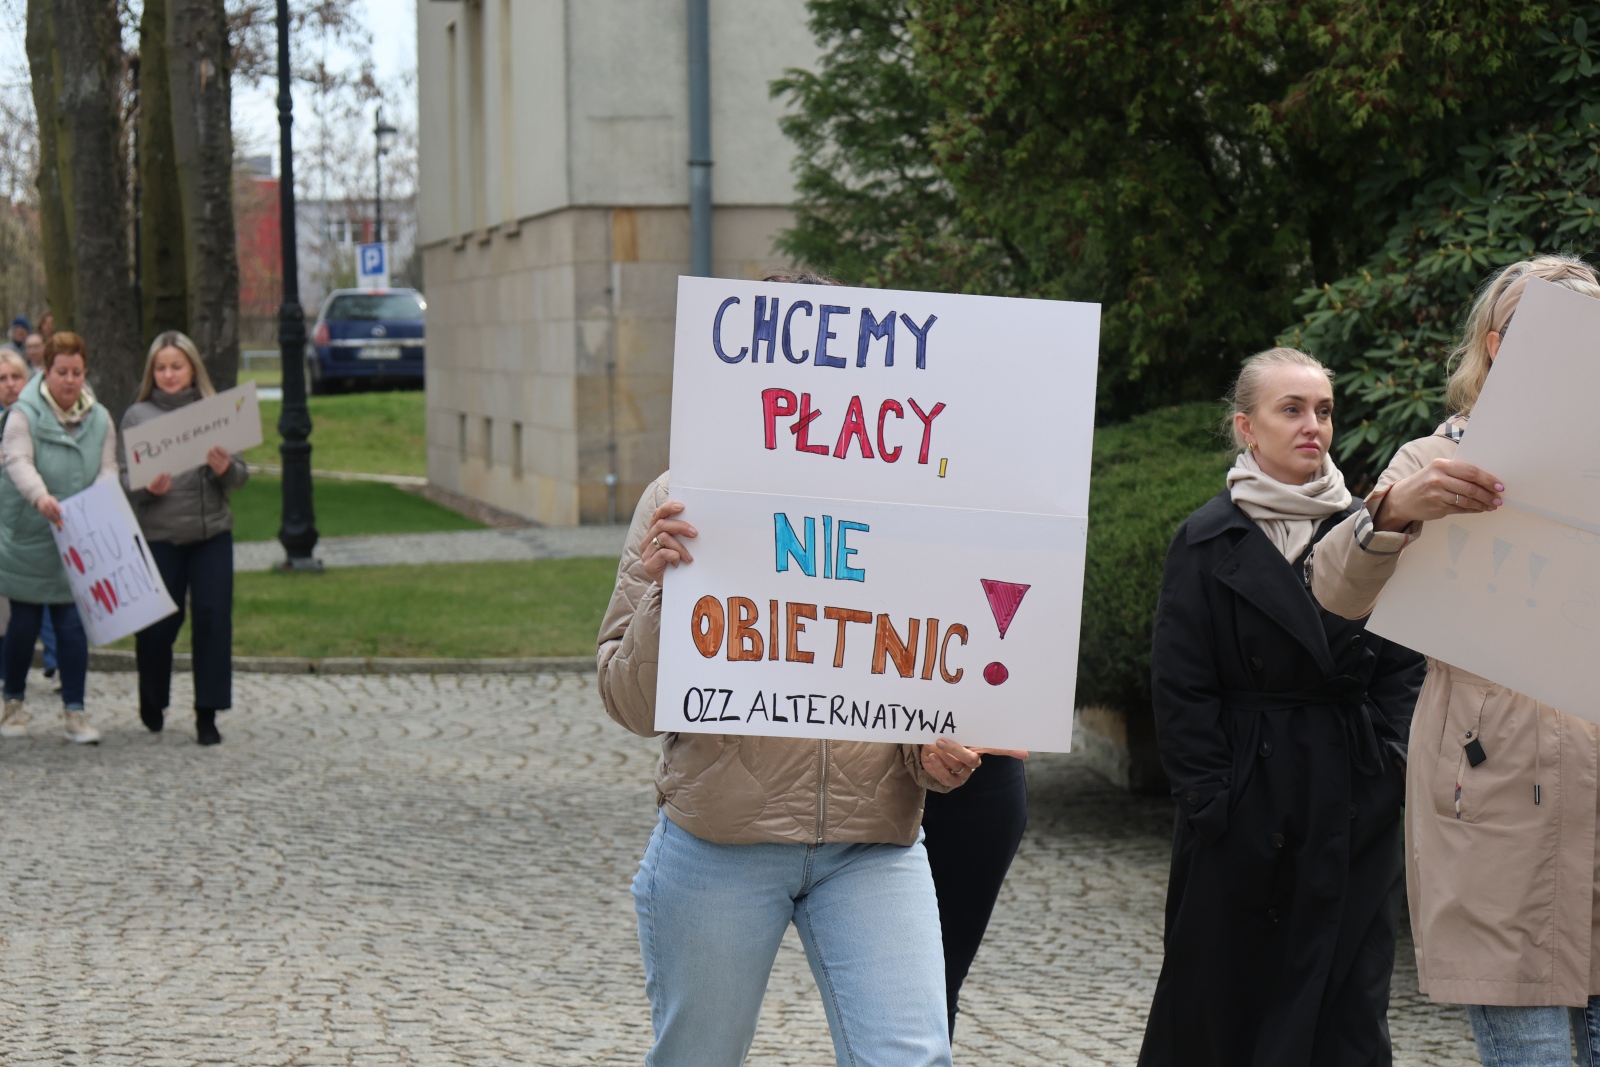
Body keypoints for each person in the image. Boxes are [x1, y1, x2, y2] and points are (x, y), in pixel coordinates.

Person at [1310, 255, 1600, 1066]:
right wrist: (1394, 512)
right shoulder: (1433, 460)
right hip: (1494, 799)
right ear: (1498, 345)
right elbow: (1333, 589)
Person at [598, 496, 986, 1061]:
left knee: (911, 1057)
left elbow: (919, 666)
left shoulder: (906, 487)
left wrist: (932, 751)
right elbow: (628, 705)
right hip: (717, 845)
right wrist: (667, 597)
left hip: (874, 846)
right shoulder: (681, 494)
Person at [1138, 347, 1427, 1066]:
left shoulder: (1372, 530)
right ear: (1247, 426)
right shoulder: (1205, 539)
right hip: (1245, 802)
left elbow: (1404, 662)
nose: (1313, 426)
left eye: (1323, 410)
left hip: (1348, 799)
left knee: (1345, 1009)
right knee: (1224, 1007)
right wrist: (1213, 799)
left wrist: (1388, 765)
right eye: (1291, 409)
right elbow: (1181, 684)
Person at [121, 332, 246, 746]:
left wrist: (226, 468)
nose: (169, 374)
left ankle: (207, 713)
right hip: (161, 536)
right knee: (157, 628)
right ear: (151, 373)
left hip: (211, 534)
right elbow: (123, 478)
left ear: (192, 368)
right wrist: (145, 487)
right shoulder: (137, 416)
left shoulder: (215, 411)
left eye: (176, 366)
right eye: (161, 368)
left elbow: (241, 476)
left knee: (212, 620)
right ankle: (152, 698)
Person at [0, 332, 116, 743]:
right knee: (24, 623)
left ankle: (75, 711)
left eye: (77, 372)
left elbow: (108, 469)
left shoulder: (100, 418)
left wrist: (96, 500)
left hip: (75, 536)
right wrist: (40, 497)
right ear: (46, 371)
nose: (69, 380)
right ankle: (12, 702)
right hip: (31, 534)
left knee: (71, 625)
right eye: (61, 372)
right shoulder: (23, 414)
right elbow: (17, 459)